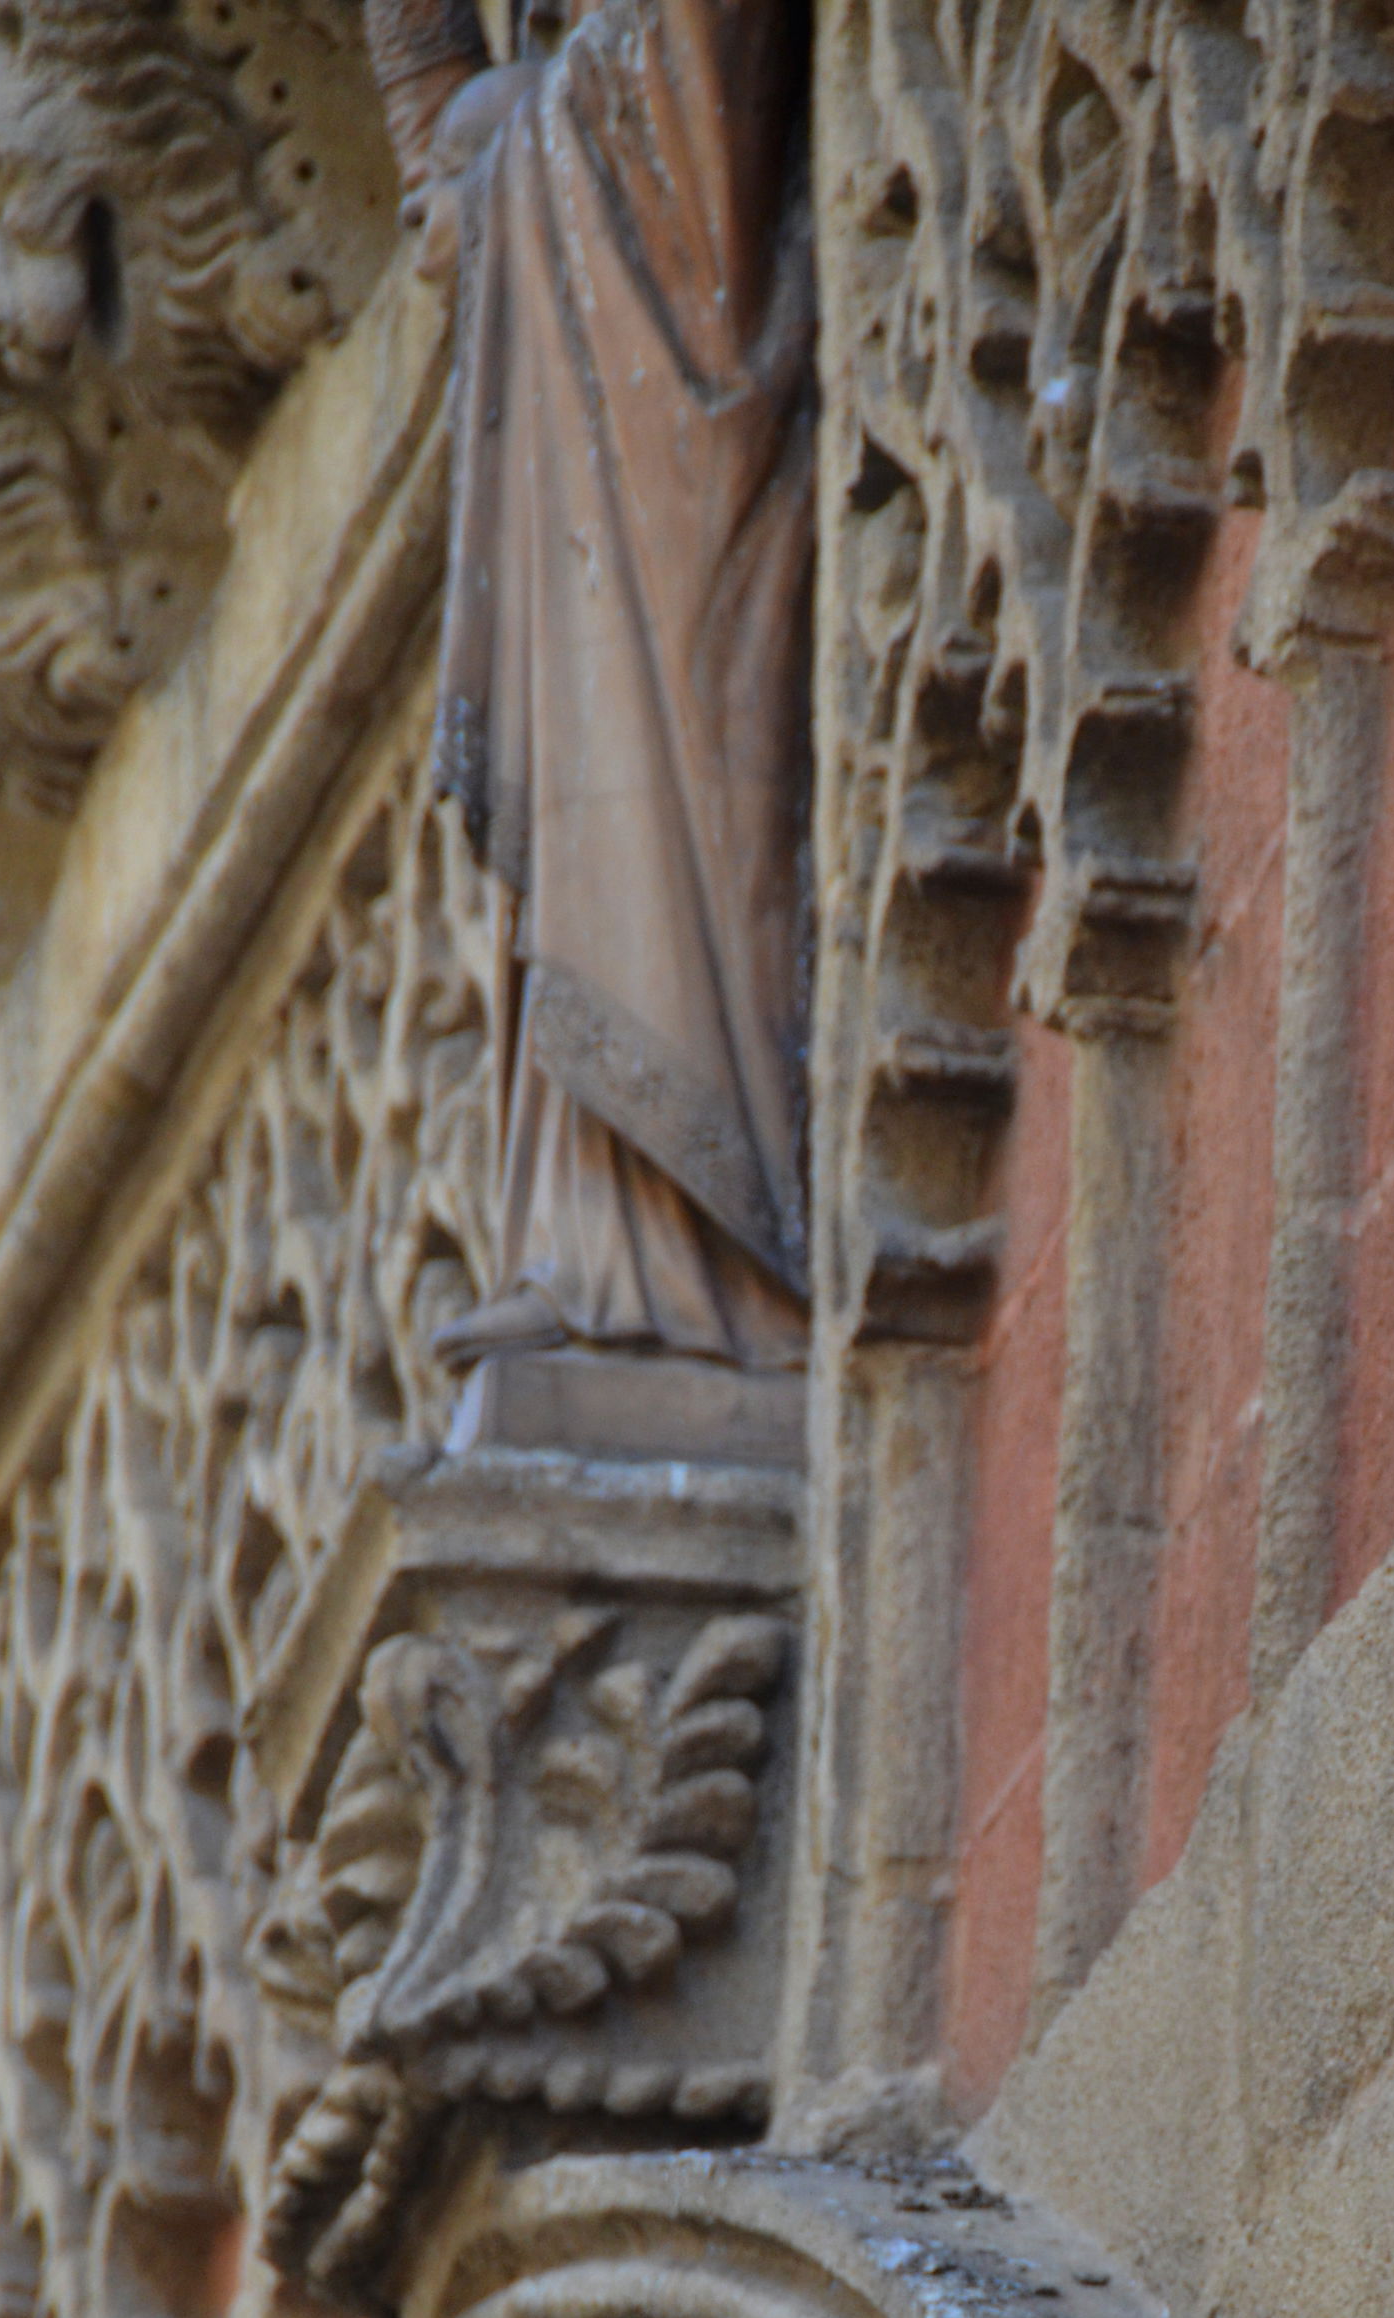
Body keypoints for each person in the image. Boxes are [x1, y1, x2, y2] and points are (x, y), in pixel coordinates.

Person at [364, 0, 813, 1386]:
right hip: (588, 278)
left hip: (676, 341)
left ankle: (685, 1248)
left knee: (660, 722)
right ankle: (594, 1244)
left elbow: (690, 83)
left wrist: (493, 132)